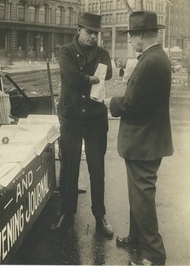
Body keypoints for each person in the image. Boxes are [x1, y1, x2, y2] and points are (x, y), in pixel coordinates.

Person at [105, 11, 174, 265]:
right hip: (146, 139)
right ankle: (136, 237)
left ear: (141, 35)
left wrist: (109, 102)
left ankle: (154, 255)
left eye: (132, 36)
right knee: (137, 193)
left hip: (143, 141)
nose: (130, 42)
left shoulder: (150, 61)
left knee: (142, 197)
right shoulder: (154, 57)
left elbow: (133, 103)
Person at [51, 12, 113, 238]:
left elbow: (108, 74)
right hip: (72, 118)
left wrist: (84, 77)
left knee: (97, 168)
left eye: (96, 33)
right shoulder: (65, 51)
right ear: (79, 30)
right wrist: (90, 78)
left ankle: (100, 215)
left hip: (96, 119)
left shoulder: (103, 53)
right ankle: (67, 213)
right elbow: (72, 77)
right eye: (89, 32)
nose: (93, 37)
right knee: (70, 165)